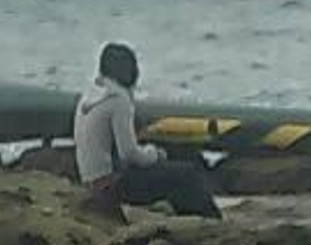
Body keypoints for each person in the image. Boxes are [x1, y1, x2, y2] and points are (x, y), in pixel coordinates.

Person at [73, 42, 221, 219]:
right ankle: (212, 222)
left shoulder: (92, 92)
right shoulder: (118, 99)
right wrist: (153, 154)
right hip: (111, 183)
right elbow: (128, 154)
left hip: (90, 178)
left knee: (178, 158)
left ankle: (188, 216)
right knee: (187, 175)